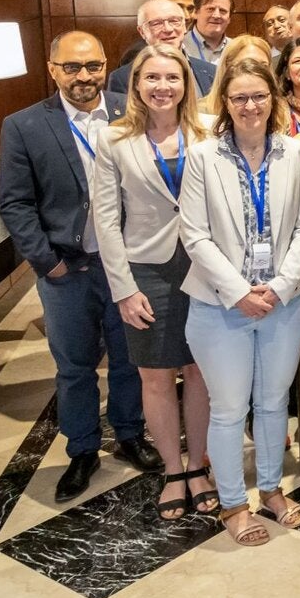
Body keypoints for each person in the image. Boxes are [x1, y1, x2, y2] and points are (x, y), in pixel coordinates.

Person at [0, 31, 162, 502]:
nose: (84, 76)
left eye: (92, 66)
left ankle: (131, 435)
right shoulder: (24, 125)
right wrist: (47, 264)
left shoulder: (131, 111)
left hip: (126, 268)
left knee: (131, 358)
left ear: (105, 66)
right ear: (52, 69)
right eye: (72, 67)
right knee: (74, 366)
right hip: (67, 269)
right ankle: (83, 449)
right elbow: (15, 203)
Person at [179, 57, 300, 545]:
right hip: (220, 307)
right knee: (229, 408)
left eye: (259, 96)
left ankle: (271, 490)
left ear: (273, 100)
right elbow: (194, 235)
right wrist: (238, 292)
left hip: (283, 301)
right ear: (225, 104)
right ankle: (235, 503)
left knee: (275, 401)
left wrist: (279, 287)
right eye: (239, 97)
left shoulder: (296, 154)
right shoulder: (203, 157)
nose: (250, 105)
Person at [95, 44, 216, 514]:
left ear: (186, 83)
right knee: (156, 375)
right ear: (136, 85)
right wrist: (123, 288)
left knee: (201, 371)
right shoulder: (114, 139)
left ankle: (201, 464)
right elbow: (106, 220)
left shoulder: (207, 132)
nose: (162, 86)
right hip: (147, 269)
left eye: (172, 77)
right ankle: (174, 469)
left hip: (206, 265)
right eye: (152, 78)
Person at [109, 0, 218, 97]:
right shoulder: (122, 78)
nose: (168, 29)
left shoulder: (211, 72)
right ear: (142, 32)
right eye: (156, 23)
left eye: (174, 21)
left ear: (185, 26)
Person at [204, 35, 274, 118]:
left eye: (263, 66)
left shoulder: (285, 112)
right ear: (227, 68)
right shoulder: (201, 113)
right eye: (246, 65)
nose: (255, 71)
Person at [183, 0, 234, 67]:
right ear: (195, 13)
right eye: (210, 9)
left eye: (222, 11)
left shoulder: (237, 49)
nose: (216, 15)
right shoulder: (181, 46)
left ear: (229, 19)